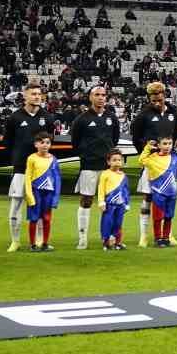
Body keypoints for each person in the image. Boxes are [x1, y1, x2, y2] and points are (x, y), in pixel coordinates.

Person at [131, 81, 177, 247]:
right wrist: (146, 150)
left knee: (169, 198)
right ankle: (144, 235)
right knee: (148, 197)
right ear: (149, 97)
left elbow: (175, 133)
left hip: (167, 163)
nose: (156, 102)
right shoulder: (143, 115)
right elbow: (136, 137)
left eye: (159, 99)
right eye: (153, 99)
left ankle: (168, 235)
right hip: (152, 163)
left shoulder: (172, 112)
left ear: (164, 95)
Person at [4, 84, 56, 249]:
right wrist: (17, 157)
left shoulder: (47, 117)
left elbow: (49, 139)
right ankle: (15, 241)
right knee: (16, 204)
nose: (36, 97)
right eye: (33, 94)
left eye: (39, 94)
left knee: (41, 207)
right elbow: (8, 142)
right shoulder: (15, 118)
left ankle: (40, 240)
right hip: (21, 168)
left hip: (42, 171)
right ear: (25, 96)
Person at [70, 84, 121, 250]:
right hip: (89, 167)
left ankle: (108, 238)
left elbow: (114, 139)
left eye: (103, 95)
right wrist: (86, 155)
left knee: (110, 203)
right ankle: (83, 238)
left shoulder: (111, 117)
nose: (101, 97)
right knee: (86, 200)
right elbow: (75, 143)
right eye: (97, 94)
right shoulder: (82, 119)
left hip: (108, 168)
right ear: (90, 97)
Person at [140, 136, 177, 248]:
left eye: (169, 143)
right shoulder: (152, 157)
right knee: (158, 217)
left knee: (169, 216)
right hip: (158, 192)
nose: (167, 146)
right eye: (164, 143)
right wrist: (148, 147)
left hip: (172, 193)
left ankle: (166, 237)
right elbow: (142, 160)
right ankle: (158, 238)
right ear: (158, 145)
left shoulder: (175, 157)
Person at [20, 131, 62, 252]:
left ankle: (45, 243)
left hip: (48, 194)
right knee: (34, 218)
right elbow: (27, 177)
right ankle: (32, 244)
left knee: (47, 219)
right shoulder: (32, 158)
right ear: (36, 144)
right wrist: (29, 195)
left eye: (48, 142)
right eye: (42, 142)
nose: (45, 145)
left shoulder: (53, 160)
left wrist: (55, 198)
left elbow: (57, 179)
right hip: (35, 192)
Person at [97, 150, 132, 251]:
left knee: (118, 223)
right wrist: (101, 201)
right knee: (107, 222)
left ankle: (118, 242)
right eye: (114, 160)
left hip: (120, 205)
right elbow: (101, 188)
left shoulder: (123, 176)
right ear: (108, 162)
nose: (117, 162)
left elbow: (126, 191)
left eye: (119, 160)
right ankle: (106, 242)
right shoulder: (105, 174)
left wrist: (126, 203)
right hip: (109, 204)